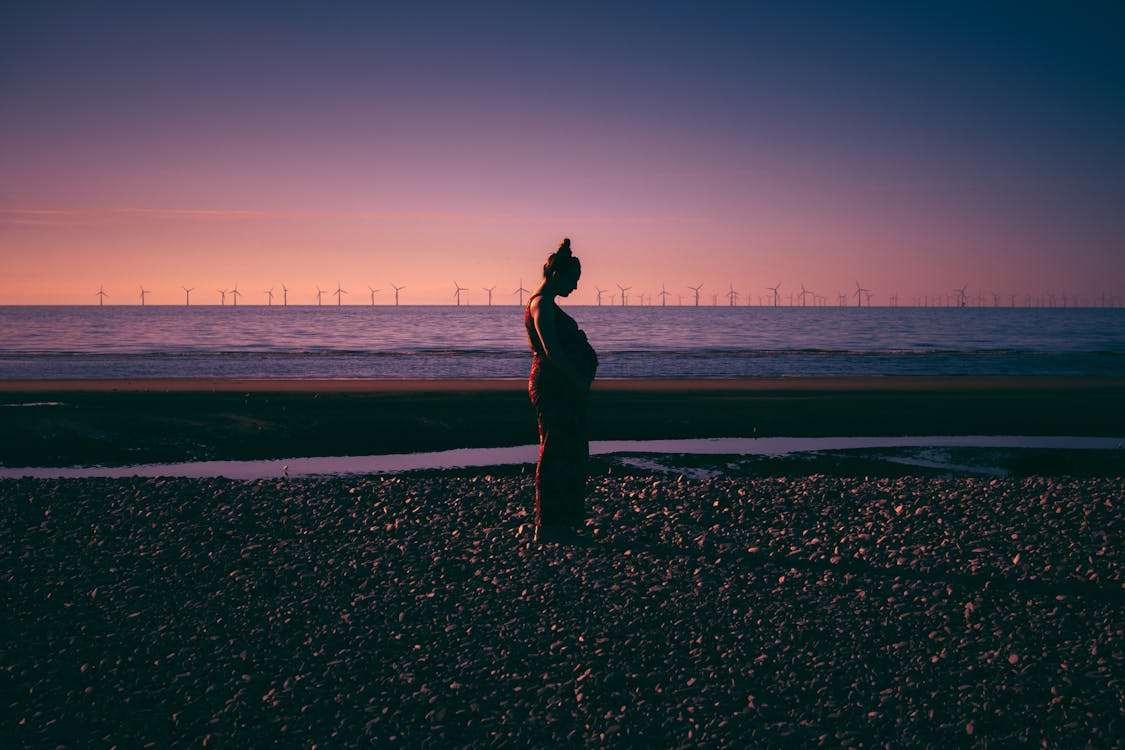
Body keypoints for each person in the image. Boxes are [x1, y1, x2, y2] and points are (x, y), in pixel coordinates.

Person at [525, 238, 598, 543]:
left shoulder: (548, 304)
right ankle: (548, 524)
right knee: (556, 450)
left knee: (570, 449)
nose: (576, 287)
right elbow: (551, 350)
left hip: (562, 384)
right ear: (558, 275)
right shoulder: (541, 304)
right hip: (555, 385)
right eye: (574, 280)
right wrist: (576, 379)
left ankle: (564, 522)